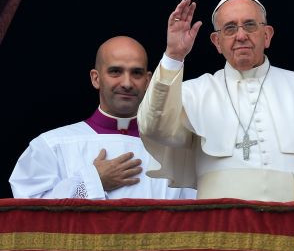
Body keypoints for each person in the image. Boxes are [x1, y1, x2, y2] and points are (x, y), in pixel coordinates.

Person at [137, 0, 294, 201]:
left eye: (249, 25)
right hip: (225, 232)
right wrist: (174, 56)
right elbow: (154, 127)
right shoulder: (193, 93)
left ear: (267, 35)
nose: (240, 35)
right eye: (229, 28)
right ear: (216, 42)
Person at [9, 36, 194, 199]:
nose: (127, 83)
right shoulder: (51, 146)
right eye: (115, 71)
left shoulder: (175, 151)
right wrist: (93, 181)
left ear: (147, 81)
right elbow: (30, 214)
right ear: (96, 78)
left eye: (136, 73)